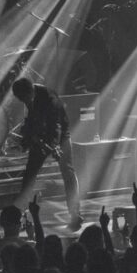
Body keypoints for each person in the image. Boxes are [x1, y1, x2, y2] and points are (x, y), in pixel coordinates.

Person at [11, 77, 82, 230]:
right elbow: (30, 120)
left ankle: (75, 213)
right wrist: (26, 140)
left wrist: (52, 146)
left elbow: (56, 127)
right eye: (22, 100)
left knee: (67, 170)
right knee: (30, 173)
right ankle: (20, 213)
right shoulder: (29, 96)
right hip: (41, 136)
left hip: (60, 135)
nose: (25, 102)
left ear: (31, 92)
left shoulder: (50, 99)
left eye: (26, 99)